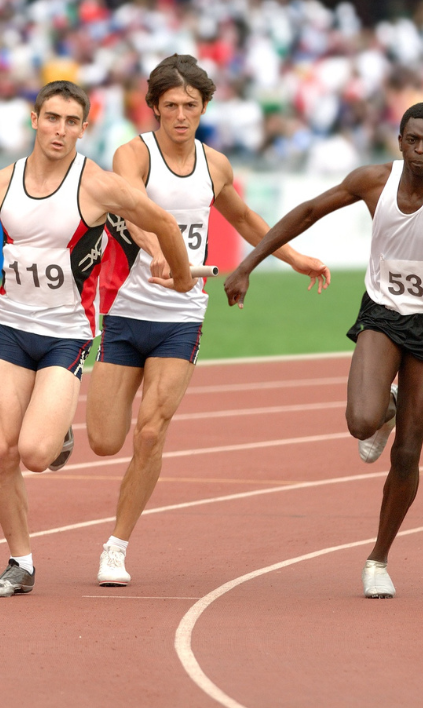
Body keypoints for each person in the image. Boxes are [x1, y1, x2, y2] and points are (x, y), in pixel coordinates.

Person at [225, 103, 423, 598]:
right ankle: (385, 409)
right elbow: (309, 211)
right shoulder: (374, 181)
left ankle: (378, 558)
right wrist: (248, 264)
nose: (419, 151)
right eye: (412, 140)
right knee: (361, 421)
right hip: (382, 312)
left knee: (408, 451)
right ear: (398, 140)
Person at [0, 80, 193, 598]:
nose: (60, 130)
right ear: (34, 119)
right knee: (2, 450)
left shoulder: (97, 185)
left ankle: (57, 427)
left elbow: (160, 221)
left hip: (66, 334)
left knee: (35, 454)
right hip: (10, 327)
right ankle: (20, 562)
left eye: (72, 122)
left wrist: (178, 272)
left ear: (83, 128)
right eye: (52, 118)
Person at [87, 54, 330, 587]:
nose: (180, 115)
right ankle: (64, 400)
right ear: (153, 107)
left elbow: (243, 218)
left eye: (190, 106)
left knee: (150, 433)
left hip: (182, 315)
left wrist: (294, 257)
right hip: (127, 309)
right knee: (104, 441)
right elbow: (128, 208)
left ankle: (116, 545)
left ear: (203, 108)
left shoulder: (214, 164)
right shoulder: (133, 155)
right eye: (170, 106)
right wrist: (155, 249)